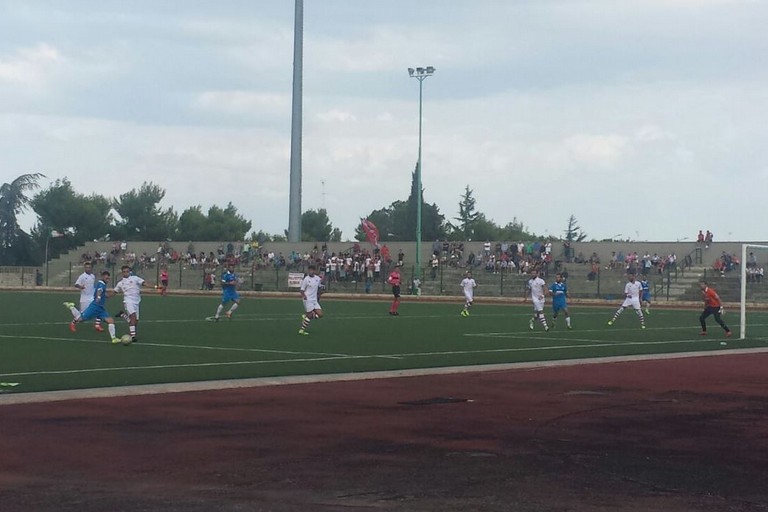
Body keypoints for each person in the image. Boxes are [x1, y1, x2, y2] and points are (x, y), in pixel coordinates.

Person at [63, 270, 120, 344]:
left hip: (100, 309)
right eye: (106, 278)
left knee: (111, 321)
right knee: (80, 319)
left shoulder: (103, 284)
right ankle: (71, 307)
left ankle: (114, 338)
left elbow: (105, 295)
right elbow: (99, 291)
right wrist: (98, 297)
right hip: (94, 307)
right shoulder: (101, 284)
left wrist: (114, 293)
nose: (108, 280)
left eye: (108, 279)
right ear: (102, 277)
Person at [113, 265, 147, 343]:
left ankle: (122, 315)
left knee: (135, 322)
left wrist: (155, 287)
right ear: (122, 273)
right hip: (128, 301)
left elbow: (144, 283)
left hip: (136, 301)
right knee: (133, 317)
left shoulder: (135, 278)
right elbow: (114, 292)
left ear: (130, 272)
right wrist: (105, 296)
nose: (126, 273)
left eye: (127, 271)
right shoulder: (120, 283)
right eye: (124, 272)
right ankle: (133, 336)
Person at [73, 261, 102, 332]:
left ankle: (97, 325)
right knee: (83, 317)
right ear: (84, 268)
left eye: (89, 268)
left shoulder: (92, 276)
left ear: (91, 268)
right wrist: (80, 286)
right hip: (84, 298)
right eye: (86, 268)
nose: (88, 269)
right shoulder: (82, 276)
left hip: (92, 297)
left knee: (98, 309)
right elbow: (76, 284)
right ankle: (72, 321)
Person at [298, 264, 323, 335]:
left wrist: (319, 295)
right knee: (309, 316)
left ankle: (305, 316)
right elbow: (302, 290)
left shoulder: (317, 278)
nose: (310, 271)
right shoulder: (306, 279)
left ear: (314, 271)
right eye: (309, 270)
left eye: (311, 270)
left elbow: (319, 287)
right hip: (307, 299)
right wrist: (304, 296)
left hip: (314, 300)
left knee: (320, 315)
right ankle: (302, 330)